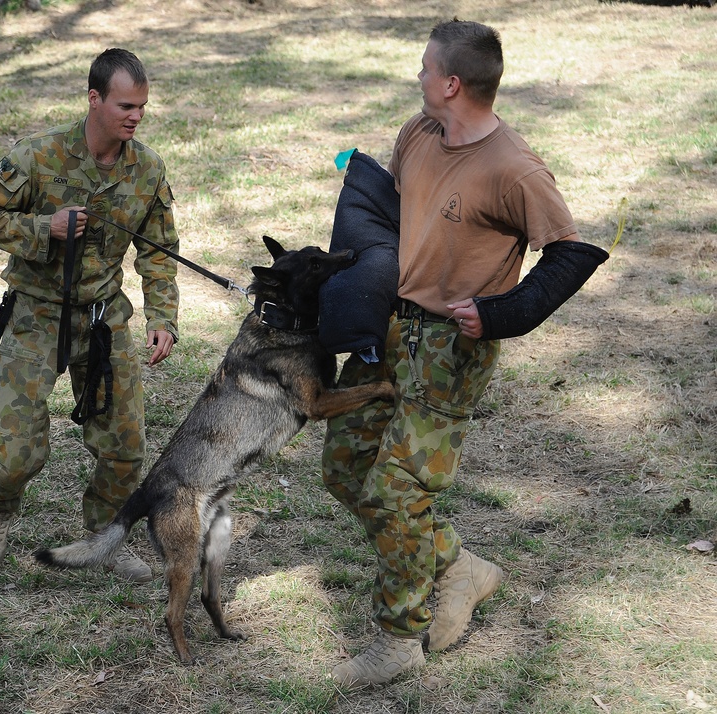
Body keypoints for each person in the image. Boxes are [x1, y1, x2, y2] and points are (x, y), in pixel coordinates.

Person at [321, 19, 608, 686]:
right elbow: (392, 221)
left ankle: (397, 642)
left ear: (452, 83)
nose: (417, 77)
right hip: (389, 330)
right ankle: (457, 564)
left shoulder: (514, 167)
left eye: (425, 68)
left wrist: (501, 313)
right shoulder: (417, 134)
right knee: (343, 469)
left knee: (395, 491)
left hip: (454, 351)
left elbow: (566, 255)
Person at [0, 48, 180, 581]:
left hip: (105, 320)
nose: (135, 116)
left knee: (126, 447)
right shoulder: (39, 157)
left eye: (142, 107)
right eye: (125, 105)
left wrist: (162, 317)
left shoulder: (146, 169)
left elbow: (159, 251)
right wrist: (45, 229)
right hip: (37, 315)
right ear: (93, 98)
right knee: (15, 450)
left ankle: (106, 534)